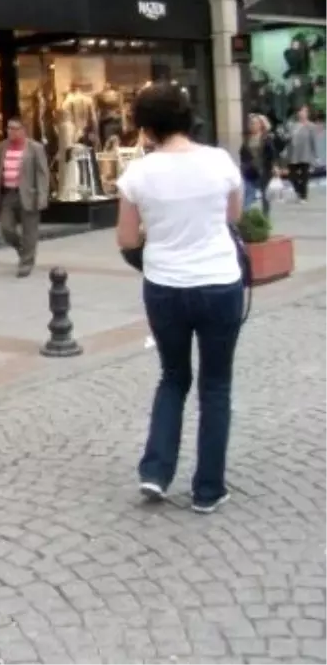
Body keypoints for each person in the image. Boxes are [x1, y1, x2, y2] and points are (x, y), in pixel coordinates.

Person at [115, 84, 244, 514]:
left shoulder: (138, 174)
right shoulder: (219, 161)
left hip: (165, 286)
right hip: (219, 282)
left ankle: (155, 471)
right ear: (188, 117)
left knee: (173, 377)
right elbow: (233, 217)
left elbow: (127, 238)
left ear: (147, 129)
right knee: (216, 384)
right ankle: (208, 489)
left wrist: (156, 245)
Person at [0, 117, 49, 278]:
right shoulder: (2, 148)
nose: (11, 132)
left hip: (29, 194)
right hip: (8, 193)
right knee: (6, 229)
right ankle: (22, 247)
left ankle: (26, 262)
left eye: (15, 129)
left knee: (30, 231)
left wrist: (42, 196)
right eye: (9, 128)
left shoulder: (35, 148)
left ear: (23, 130)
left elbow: (43, 174)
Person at [239, 113, 278, 215]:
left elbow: (272, 153)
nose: (252, 125)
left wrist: (274, 166)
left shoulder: (266, 138)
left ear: (261, 125)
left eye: (255, 123)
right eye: (251, 123)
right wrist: (244, 165)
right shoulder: (247, 139)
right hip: (249, 170)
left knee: (265, 195)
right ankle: (244, 215)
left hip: (263, 169)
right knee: (249, 193)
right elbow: (242, 152)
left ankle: (265, 216)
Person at [286, 105, 317, 203]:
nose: (302, 113)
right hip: (293, 154)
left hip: (305, 153)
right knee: (292, 176)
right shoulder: (292, 125)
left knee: (304, 176)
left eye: (305, 111)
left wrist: (315, 155)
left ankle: (303, 196)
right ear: (297, 113)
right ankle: (298, 191)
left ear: (308, 113)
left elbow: (313, 141)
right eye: (301, 111)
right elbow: (288, 139)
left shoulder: (311, 126)